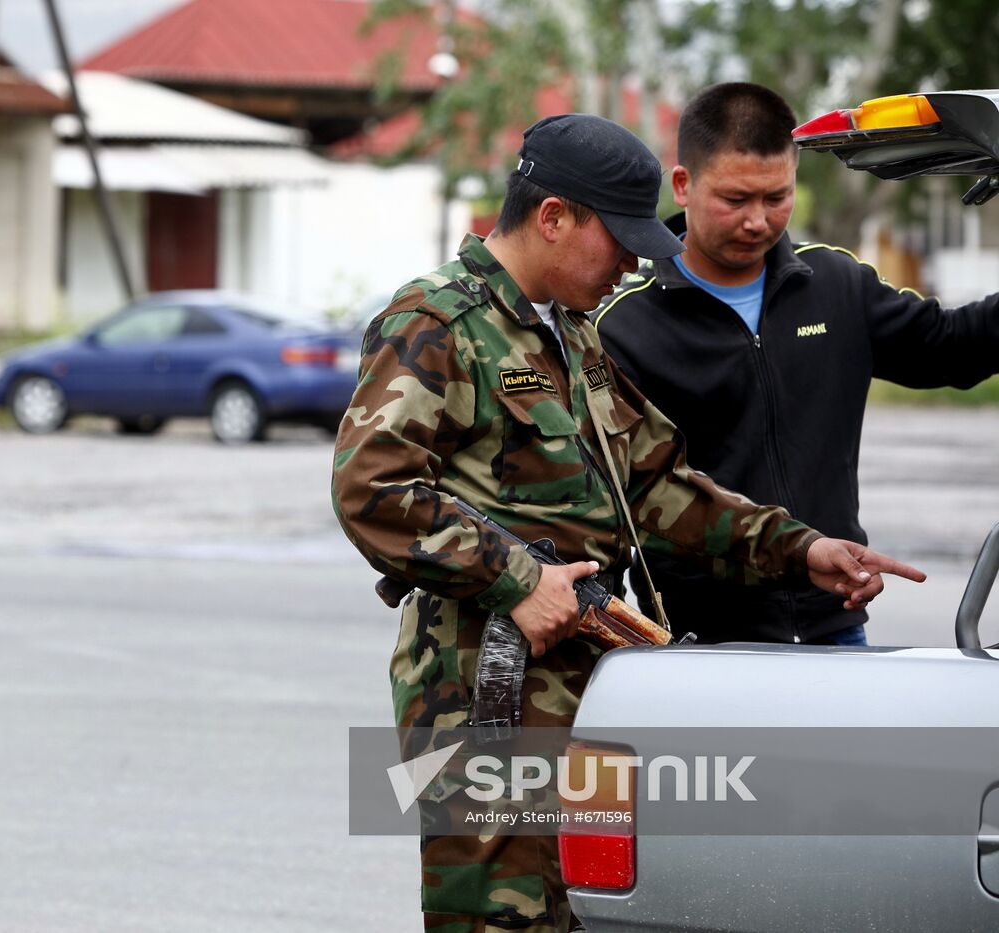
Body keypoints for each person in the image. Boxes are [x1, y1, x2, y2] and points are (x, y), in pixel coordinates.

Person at [331, 113, 925, 933]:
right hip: (480, 694)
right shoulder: (436, 323)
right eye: (619, 242)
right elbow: (372, 487)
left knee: (593, 912)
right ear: (554, 218)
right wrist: (520, 577)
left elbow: (656, 485)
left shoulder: (569, 337)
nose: (630, 266)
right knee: (498, 919)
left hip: (590, 688)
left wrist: (801, 548)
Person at [592, 81, 999, 647]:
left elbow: (955, 348)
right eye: (735, 200)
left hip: (836, 627)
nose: (758, 220)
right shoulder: (621, 326)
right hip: (699, 645)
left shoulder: (836, 283)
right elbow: (626, 499)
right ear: (683, 184)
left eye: (776, 197)